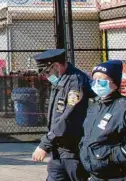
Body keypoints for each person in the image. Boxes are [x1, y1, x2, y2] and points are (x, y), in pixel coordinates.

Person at [80, 60, 126, 181]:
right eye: (94, 80)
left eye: (102, 81)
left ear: (114, 84)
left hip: (120, 176)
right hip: (98, 175)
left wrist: (105, 155)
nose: (97, 84)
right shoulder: (95, 105)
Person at [32, 48, 92, 181]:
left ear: (57, 66)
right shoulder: (61, 81)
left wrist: (45, 144)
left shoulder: (75, 82)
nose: (46, 76)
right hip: (58, 150)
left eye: (47, 72)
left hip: (72, 152)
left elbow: (68, 117)